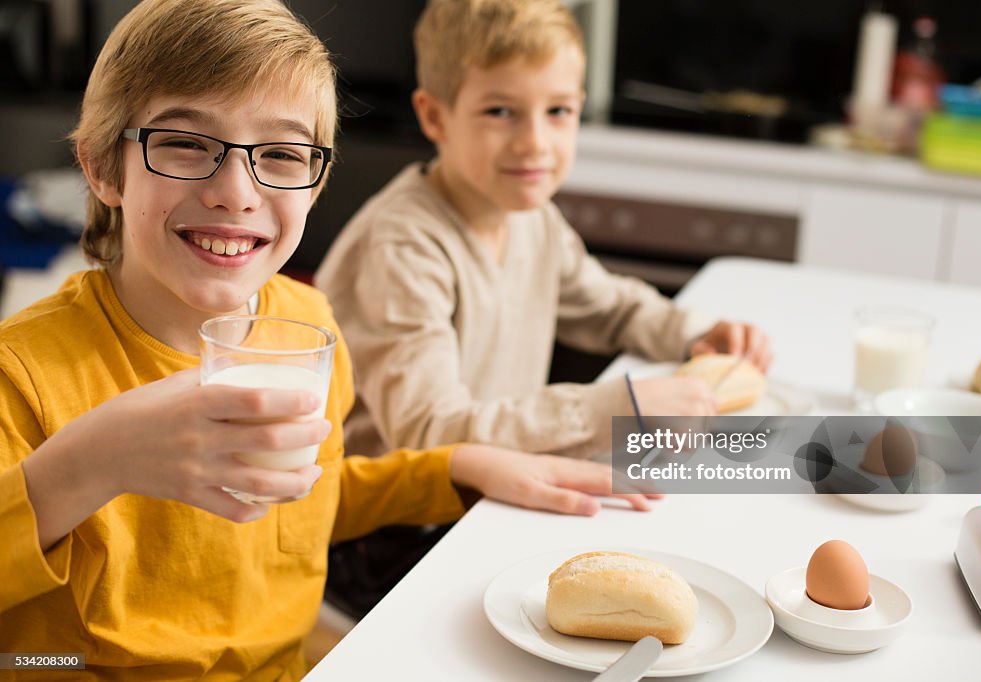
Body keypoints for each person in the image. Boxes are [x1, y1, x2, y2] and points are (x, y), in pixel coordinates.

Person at [0, 1, 657, 679]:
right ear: (104, 168)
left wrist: (455, 468)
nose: (236, 192)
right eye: (186, 144)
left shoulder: (309, 328)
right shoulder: (20, 372)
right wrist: (86, 465)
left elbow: (310, 504)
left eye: (281, 154)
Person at [315, 0, 773, 461]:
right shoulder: (404, 246)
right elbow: (430, 433)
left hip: (495, 488)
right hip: (406, 524)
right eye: (500, 111)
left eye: (558, 110)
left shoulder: (532, 219)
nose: (535, 143)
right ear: (434, 116)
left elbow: (609, 308)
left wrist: (694, 333)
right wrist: (614, 407)